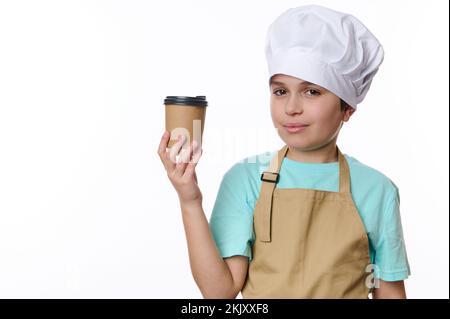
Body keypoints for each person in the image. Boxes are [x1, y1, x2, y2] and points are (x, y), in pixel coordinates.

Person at [157, 4, 410, 298]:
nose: (291, 108)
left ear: (347, 109)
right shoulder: (245, 179)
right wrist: (190, 200)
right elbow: (220, 293)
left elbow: (389, 293)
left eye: (312, 91)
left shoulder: (377, 189)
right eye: (280, 91)